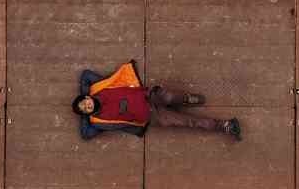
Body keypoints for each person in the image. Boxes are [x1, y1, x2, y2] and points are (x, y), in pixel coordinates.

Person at [72, 60, 242, 141]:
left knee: (170, 96)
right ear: (86, 113)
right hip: (152, 116)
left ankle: (185, 99)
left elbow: (85, 74)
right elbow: (85, 134)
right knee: (187, 121)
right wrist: (86, 117)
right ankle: (225, 125)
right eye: (85, 109)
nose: (87, 106)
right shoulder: (97, 122)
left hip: (149, 95)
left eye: (84, 102)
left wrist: (87, 93)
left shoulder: (97, 88)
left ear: (87, 97)